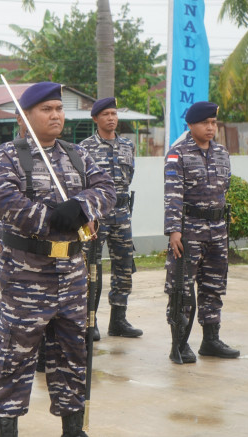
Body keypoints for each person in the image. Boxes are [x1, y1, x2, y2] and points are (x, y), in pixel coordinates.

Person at [0, 81, 115, 437]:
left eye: (59, 108)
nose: (56, 115)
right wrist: (51, 220)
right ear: (24, 117)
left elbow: (107, 189)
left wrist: (81, 206)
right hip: (27, 275)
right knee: (16, 357)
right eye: (46, 109)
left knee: (74, 354)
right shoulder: (9, 156)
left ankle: (73, 429)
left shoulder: (77, 154)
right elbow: (6, 202)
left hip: (73, 275)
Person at [164, 101, 240, 365]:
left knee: (214, 286)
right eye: (205, 123)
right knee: (181, 289)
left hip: (218, 231)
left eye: (213, 123)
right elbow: (172, 196)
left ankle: (211, 340)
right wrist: (174, 231)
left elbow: (224, 188)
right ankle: (180, 343)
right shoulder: (178, 154)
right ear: (191, 125)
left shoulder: (221, 152)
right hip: (189, 231)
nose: (210, 128)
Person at [79, 97, 142, 340]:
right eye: (105, 114)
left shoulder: (127, 145)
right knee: (90, 266)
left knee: (124, 266)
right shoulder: (83, 148)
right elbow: (81, 185)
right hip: (94, 216)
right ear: (95, 118)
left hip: (122, 215)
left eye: (114, 114)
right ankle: (89, 320)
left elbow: (129, 177)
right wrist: (86, 216)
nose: (111, 118)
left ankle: (118, 319)